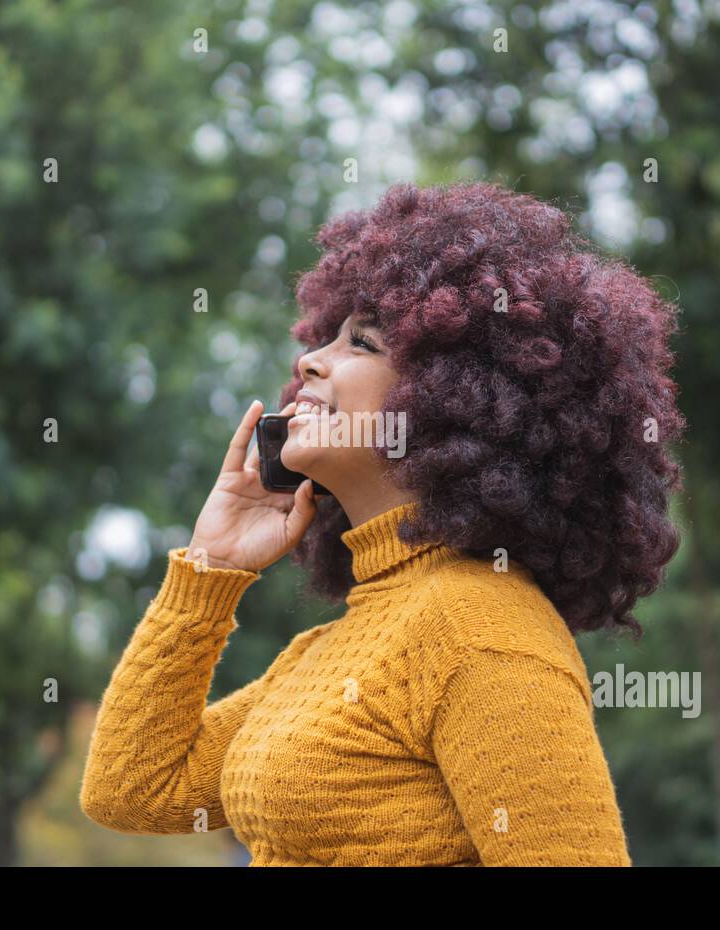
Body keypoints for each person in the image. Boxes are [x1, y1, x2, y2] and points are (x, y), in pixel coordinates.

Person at [80, 181, 686, 865]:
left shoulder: (482, 633)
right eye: (328, 337)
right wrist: (211, 571)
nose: (309, 361)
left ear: (453, 401)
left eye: (361, 344)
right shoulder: (326, 653)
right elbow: (133, 788)